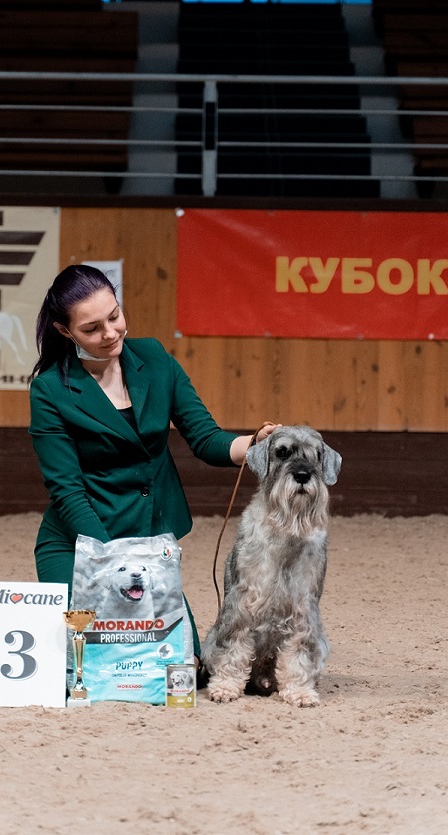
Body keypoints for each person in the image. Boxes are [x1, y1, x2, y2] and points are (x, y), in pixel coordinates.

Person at [28, 264, 277, 662]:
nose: (110, 333)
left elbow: (206, 438)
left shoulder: (155, 357)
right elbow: (67, 492)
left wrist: (254, 444)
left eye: (114, 316)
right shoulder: (49, 390)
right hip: (82, 545)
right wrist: (115, 561)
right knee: (79, 666)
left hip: (148, 545)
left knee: (185, 668)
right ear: (64, 331)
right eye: (92, 329)